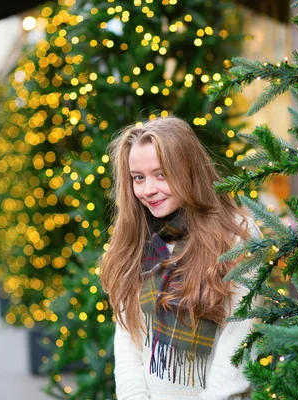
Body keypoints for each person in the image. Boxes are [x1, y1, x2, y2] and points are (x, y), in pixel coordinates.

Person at [100, 117, 262, 399]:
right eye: (138, 177)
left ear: (187, 170)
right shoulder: (138, 239)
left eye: (161, 174)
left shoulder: (237, 236)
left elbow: (238, 345)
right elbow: (128, 341)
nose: (148, 189)